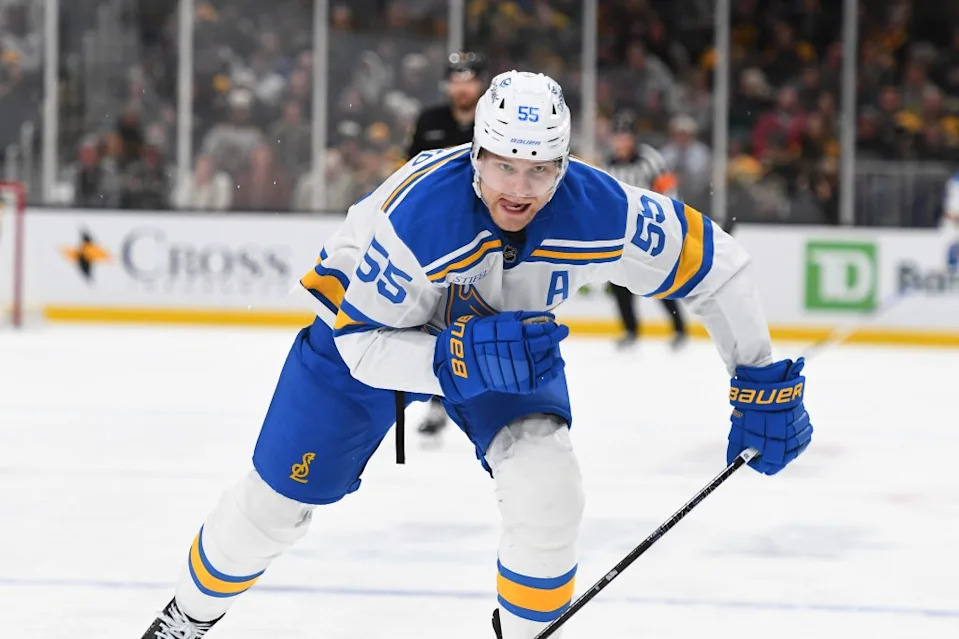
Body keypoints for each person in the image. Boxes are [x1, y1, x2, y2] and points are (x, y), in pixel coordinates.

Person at [139, 71, 813, 639]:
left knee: (548, 489)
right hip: (370, 340)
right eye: (503, 165)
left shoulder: (596, 208)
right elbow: (361, 343)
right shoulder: (419, 221)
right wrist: (451, 360)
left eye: (540, 168)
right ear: (475, 154)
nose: (519, 188)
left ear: (564, 164)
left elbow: (718, 266)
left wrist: (757, 375)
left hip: (504, 340)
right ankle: (182, 620)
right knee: (272, 507)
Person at [406, 51, 486, 438]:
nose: (462, 87)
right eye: (456, 79)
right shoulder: (430, 122)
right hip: (437, 234)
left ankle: (486, 400)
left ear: (480, 84)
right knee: (434, 316)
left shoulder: (494, 121)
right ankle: (438, 398)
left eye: (468, 79)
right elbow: (411, 175)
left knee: (479, 314)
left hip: (486, 234)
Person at [605, 113, 688, 350]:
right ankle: (630, 330)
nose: (622, 141)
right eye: (618, 136)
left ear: (634, 138)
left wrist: (671, 222)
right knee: (619, 281)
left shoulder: (649, 158)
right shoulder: (609, 164)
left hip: (650, 229)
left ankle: (679, 328)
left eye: (626, 136)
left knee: (656, 277)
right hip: (623, 233)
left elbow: (669, 189)